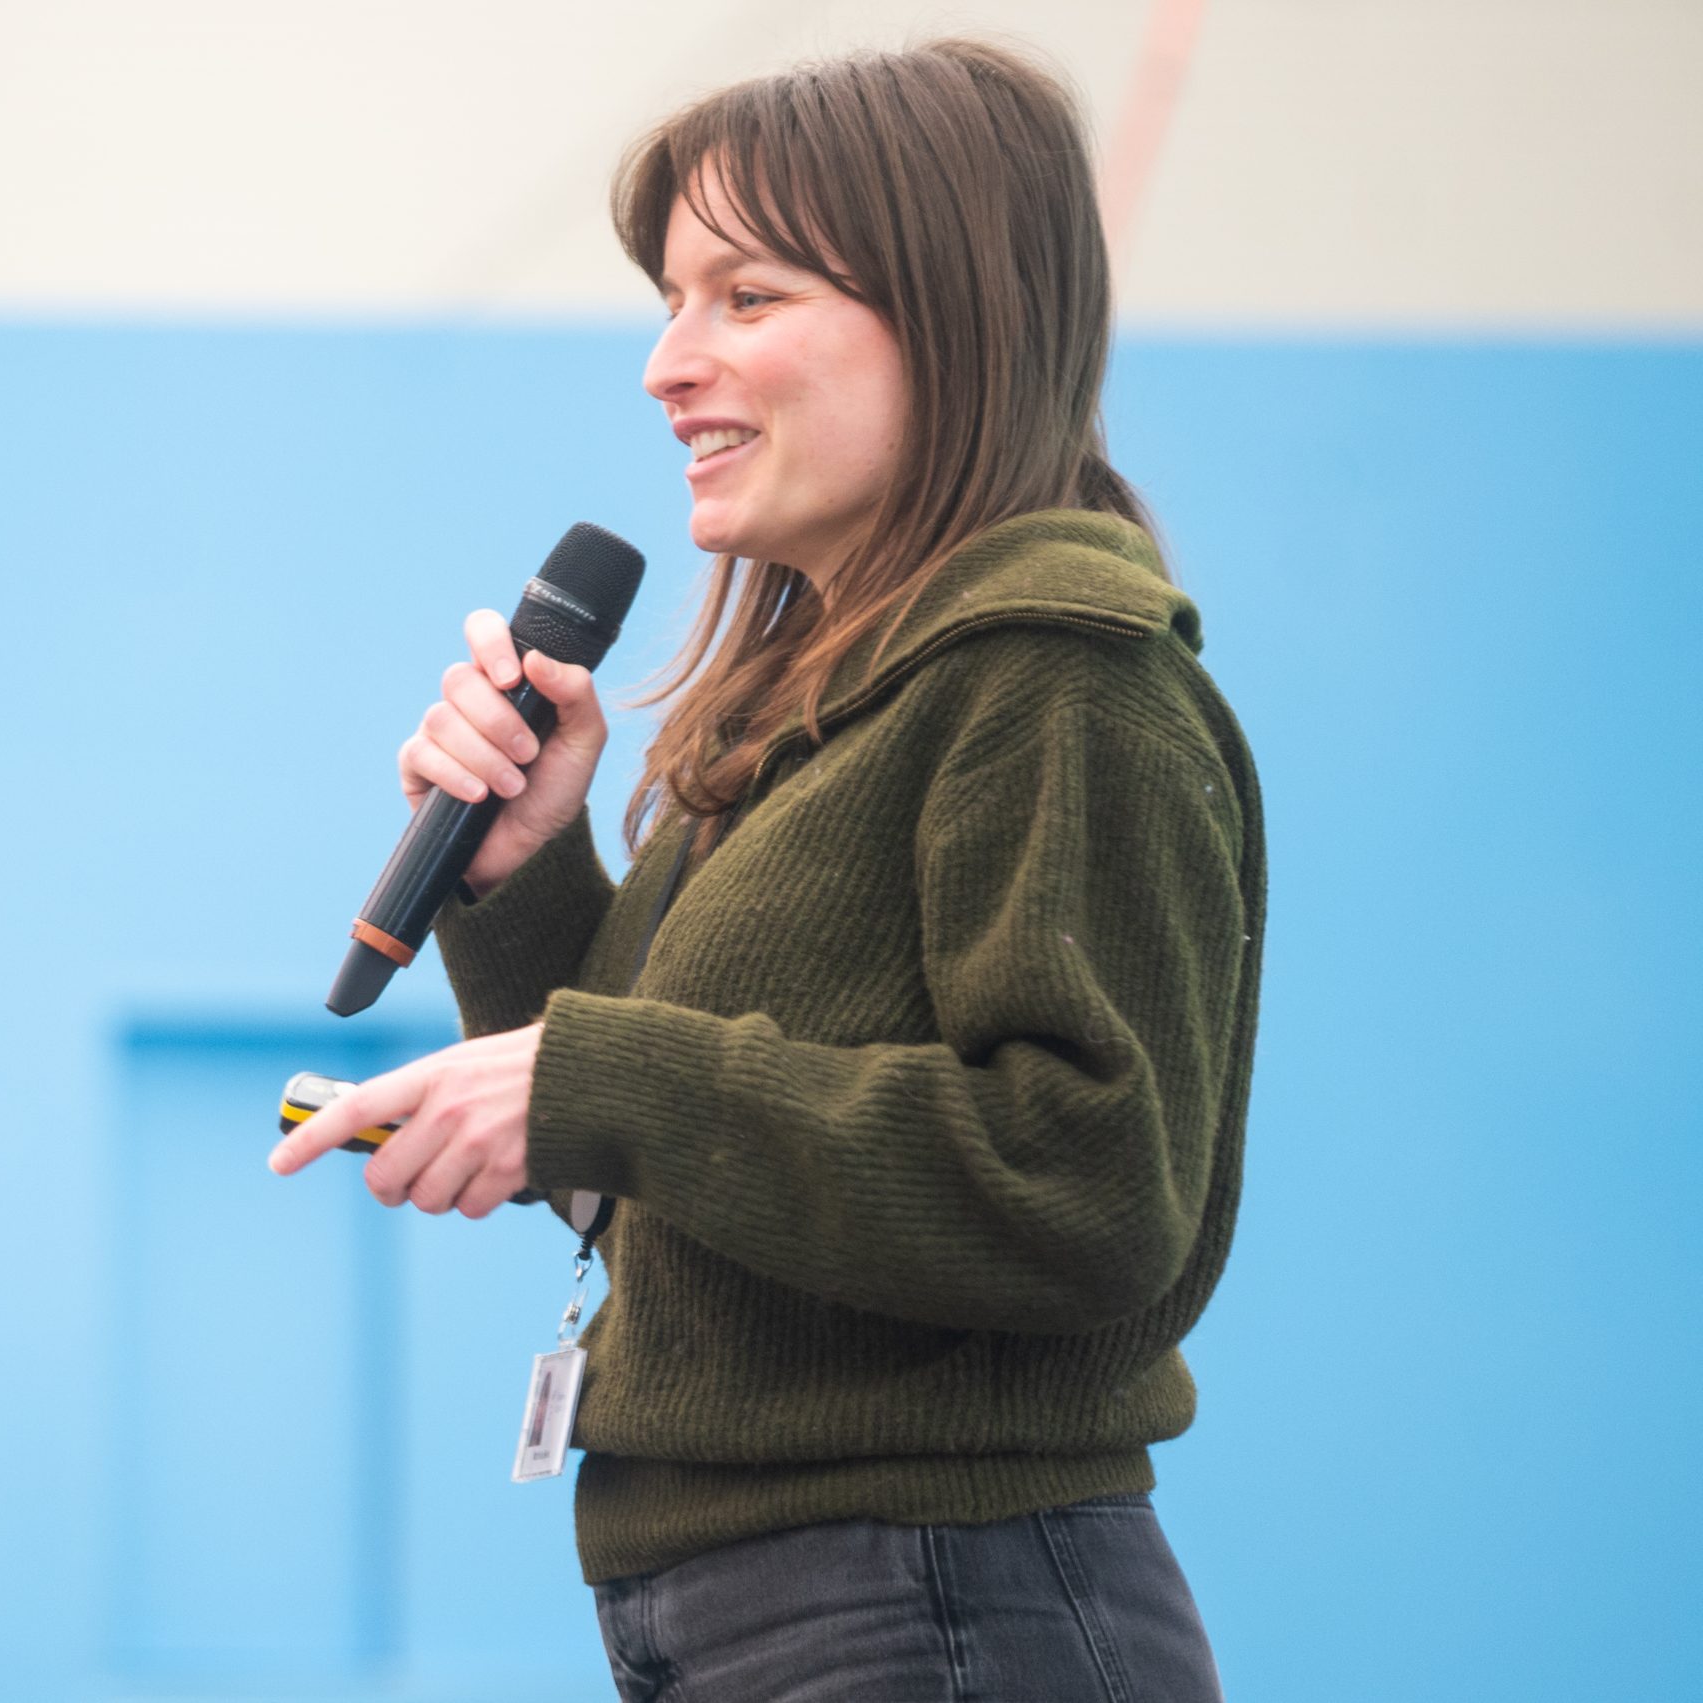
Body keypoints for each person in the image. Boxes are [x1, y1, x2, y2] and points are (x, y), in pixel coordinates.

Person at [270, 37, 1262, 1702]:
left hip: (939, 1606)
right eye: (671, 301)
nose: (668, 365)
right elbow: (655, 1175)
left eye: (746, 297)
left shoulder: (1059, 679)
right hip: (745, 1613)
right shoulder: (818, 715)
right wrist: (523, 884)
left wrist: (605, 1074)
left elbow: (1092, 1194)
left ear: (951, 318)